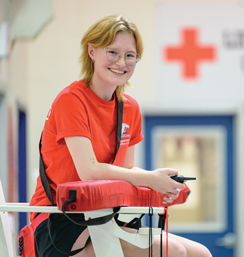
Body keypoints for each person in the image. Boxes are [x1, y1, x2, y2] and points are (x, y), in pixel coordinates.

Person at [30, 15, 212, 257]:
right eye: (112, 52)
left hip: (105, 216)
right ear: (92, 51)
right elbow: (90, 171)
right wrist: (150, 179)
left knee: (201, 253)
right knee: (174, 251)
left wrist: (159, 180)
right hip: (60, 221)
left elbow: (128, 169)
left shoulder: (130, 108)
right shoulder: (71, 100)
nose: (121, 62)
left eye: (130, 55)